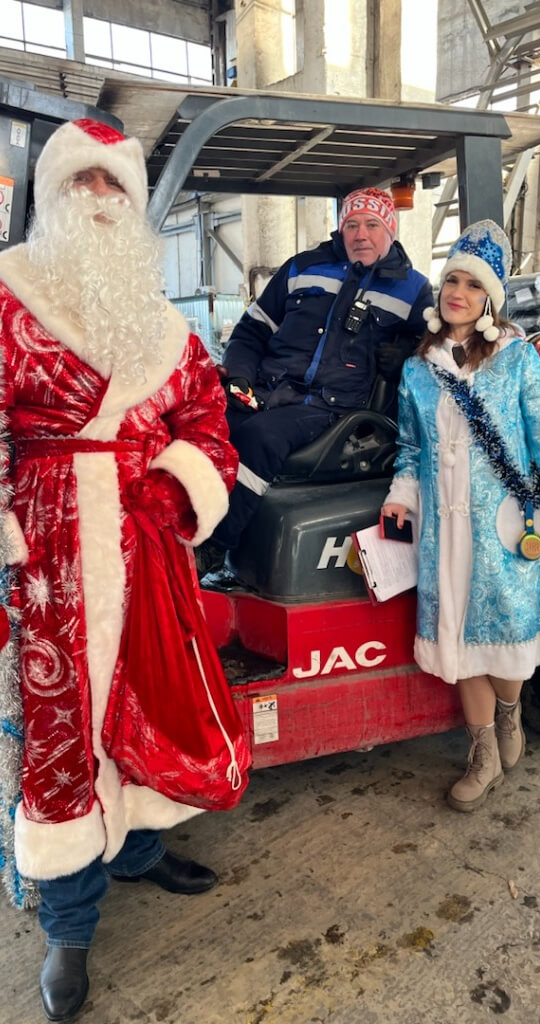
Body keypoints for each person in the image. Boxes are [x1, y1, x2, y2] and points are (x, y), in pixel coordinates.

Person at [0, 118, 240, 1021]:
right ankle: (69, 920)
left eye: (116, 185)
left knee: (148, 699)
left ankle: (137, 849)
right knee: (62, 730)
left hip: (148, 547)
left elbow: (207, 418)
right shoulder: (9, 296)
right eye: (83, 181)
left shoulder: (165, 324)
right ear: (52, 194)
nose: (100, 199)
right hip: (49, 552)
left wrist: (180, 490)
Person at [382, 219, 540, 813]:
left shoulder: (517, 360)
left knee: (507, 640)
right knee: (460, 643)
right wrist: (401, 495)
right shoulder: (419, 370)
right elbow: (410, 446)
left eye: (471, 284)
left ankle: (510, 713)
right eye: (451, 281)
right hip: (444, 532)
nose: (456, 293)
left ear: (489, 298)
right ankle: (483, 752)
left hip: (506, 529)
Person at [195, 186, 434, 576]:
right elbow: (252, 332)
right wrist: (239, 376)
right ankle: (174, 533)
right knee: (200, 423)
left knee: (260, 438)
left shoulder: (413, 289)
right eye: (352, 225)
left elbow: (434, 352)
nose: (361, 234)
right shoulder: (301, 268)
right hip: (268, 389)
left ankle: (213, 547)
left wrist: (407, 355)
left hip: (333, 409)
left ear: (390, 230)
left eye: (372, 225)